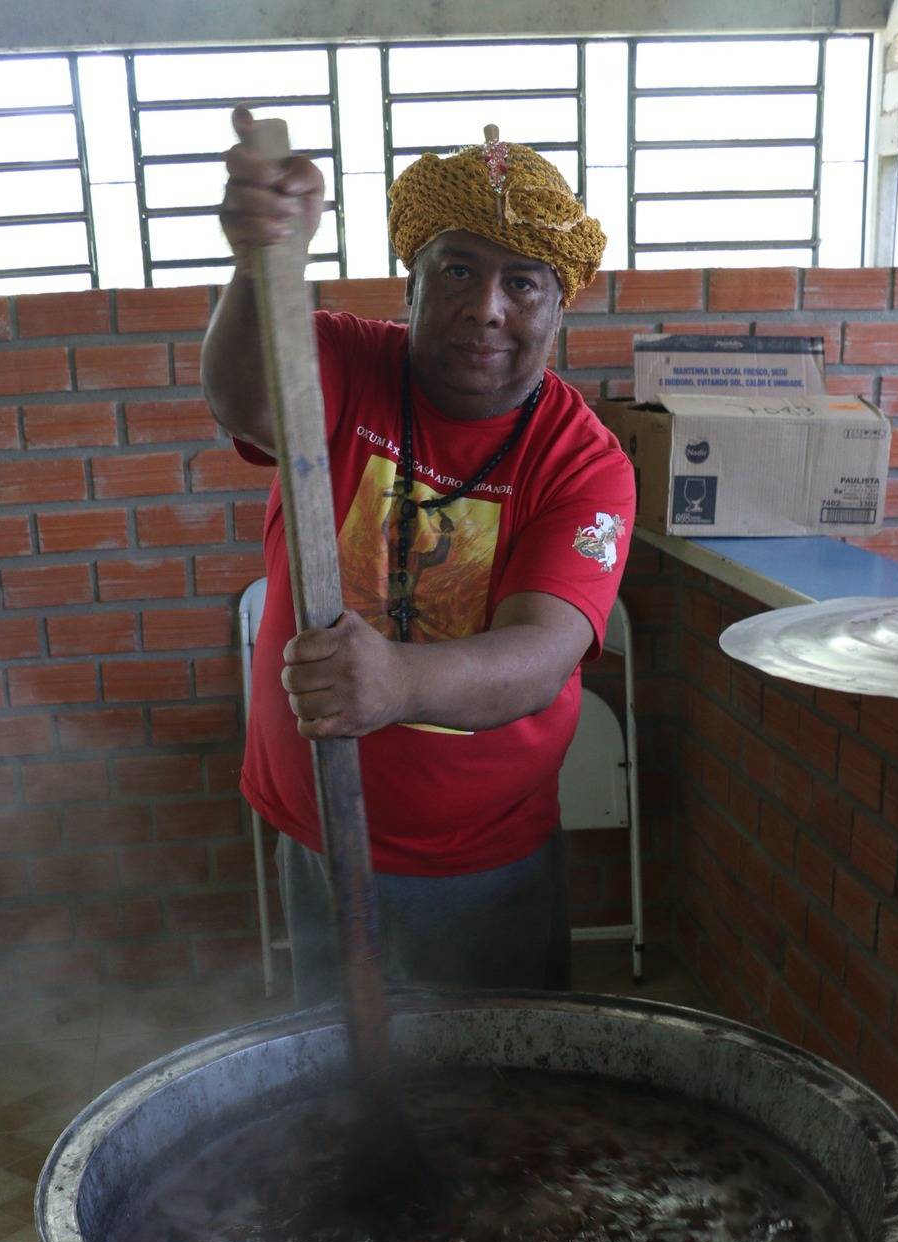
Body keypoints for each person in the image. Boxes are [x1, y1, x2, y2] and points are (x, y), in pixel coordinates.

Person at [202, 109, 636, 1003]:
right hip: (320, 828)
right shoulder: (345, 359)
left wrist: (396, 681)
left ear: (559, 307)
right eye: (458, 270)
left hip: (484, 858)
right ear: (413, 283)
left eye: (523, 282)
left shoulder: (584, 463)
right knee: (334, 1066)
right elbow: (247, 399)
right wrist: (261, 264)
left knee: (501, 1075)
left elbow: (540, 656)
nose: (486, 308)